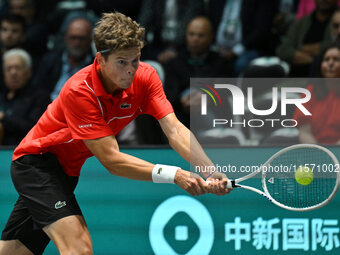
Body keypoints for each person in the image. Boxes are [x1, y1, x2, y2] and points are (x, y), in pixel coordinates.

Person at [0, 12, 229, 255]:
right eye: (122, 62)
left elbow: (174, 129)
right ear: (100, 59)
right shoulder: (79, 91)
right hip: (37, 164)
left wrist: (209, 170)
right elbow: (112, 161)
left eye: (136, 60)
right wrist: (174, 174)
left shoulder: (146, 76)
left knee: (14, 252)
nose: (131, 70)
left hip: (65, 172)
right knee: (79, 248)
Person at [164, 16, 232, 129]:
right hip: (182, 115)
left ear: (211, 38)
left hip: (213, 110)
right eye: (191, 34)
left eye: (201, 35)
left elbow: (226, 93)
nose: (195, 39)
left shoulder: (221, 63)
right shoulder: (175, 63)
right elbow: (169, 96)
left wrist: (206, 98)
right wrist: (182, 101)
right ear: (186, 36)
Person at [32, 16, 94, 100]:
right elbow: (37, 89)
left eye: (81, 38)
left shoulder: (96, 67)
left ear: (90, 40)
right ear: (65, 38)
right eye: (73, 38)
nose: (77, 42)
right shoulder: (50, 61)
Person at [0, 48, 49, 145]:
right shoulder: (2, 96)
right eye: (8, 68)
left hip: (26, 151)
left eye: (18, 68)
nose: (13, 73)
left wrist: (4, 118)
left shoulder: (40, 97)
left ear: (29, 72)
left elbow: (35, 129)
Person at [294, 43, 340, 144]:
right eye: (326, 59)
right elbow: (304, 132)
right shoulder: (310, 92)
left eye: (336, 59)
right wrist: (318, 155)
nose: (330, 63)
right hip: (314, 154)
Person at [277, 0, 337, 77]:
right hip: (295, 77)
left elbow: (333, 45)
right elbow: (283, 51)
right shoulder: (302, 22)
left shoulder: (337, 21)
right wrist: (314, 60)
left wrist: (300, 48)